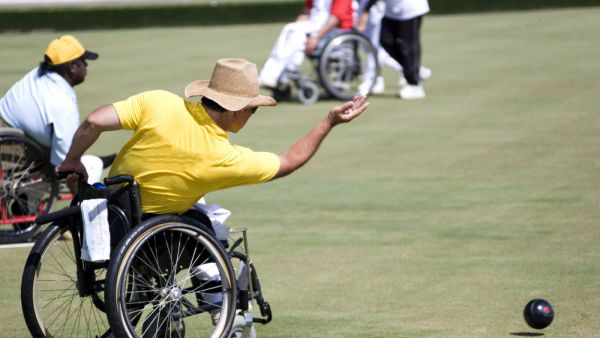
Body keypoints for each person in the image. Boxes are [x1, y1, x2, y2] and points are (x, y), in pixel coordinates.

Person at [57, 59, 368, 222]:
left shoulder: (159, 102)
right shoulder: (221, 157)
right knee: (213, 225)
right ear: (236, 111)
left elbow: (94, 121)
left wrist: (72, 160)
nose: (252, 116)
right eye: (252, 110)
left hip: (114, 212)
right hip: (155, 229)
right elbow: (287, 162)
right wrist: (329, 122)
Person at [0, 34, 106, 185]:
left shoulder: (36, 74)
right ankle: (78, 204)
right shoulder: (63, 105)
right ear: (72, 66)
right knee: (89, 165)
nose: (86, 65)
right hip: (11, 150)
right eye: (83, 61)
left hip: (8, 133)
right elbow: (65, 162)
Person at [258, 0, 354, 89]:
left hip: (333, 33)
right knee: (290, 28)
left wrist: (315, 37)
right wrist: (300, 21)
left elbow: (335, 19)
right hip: (315, 27)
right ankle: (278, 73)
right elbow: (307, 11)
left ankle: (278, 74)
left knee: (296, 32)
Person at [356, 0, 431, 95]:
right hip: (391, 11)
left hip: (410, 8)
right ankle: (414, 69)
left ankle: (415, 85)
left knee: (408, 46)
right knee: (385, 40)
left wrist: (365, 11)